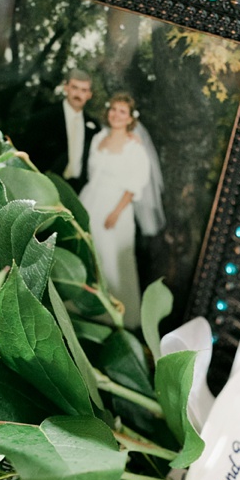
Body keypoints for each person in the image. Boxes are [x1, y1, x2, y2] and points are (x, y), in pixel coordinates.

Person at [80, 93, 151, 328]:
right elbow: (91, 173)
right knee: (89, 253)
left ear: (130, 118)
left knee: (111, 259)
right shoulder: (99, 138)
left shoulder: (134, 147)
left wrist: (115, 212)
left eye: (122, 112)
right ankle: (84, 304)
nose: (116, 115)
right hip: (91, 200)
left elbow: (134, 184)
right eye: (113, 109)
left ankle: (117, 313)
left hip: (115, 208)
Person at [23, 69, 100, 194]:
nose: (78, 94)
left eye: (83, 90)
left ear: (89, 95)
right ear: (66, 88)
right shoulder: (45, 117)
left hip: (78, 190)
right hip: (45, 186)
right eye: (74, 87)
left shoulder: (93, 126)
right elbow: (28, 152)